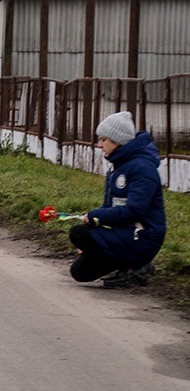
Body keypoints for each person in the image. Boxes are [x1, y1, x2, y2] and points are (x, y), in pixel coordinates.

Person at [69, 111, 167, 289]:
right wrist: (94, 218)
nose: (99, 145)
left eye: (103, 140)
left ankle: (137, 267)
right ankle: (127, 267)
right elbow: (112, 206)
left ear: (117, 140)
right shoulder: (120, 166)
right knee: (79, 272)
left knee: (79, 233)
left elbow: (134, 210)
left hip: (142, 237)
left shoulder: (142, 168)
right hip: (125, 232)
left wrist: (96, 216)